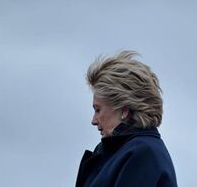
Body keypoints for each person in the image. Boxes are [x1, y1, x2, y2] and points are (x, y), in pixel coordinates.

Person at [76, 51, 178, 187]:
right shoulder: (125, 153)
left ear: (124, 111)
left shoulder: (142, 154)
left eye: (98, 110)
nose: (94, 120)